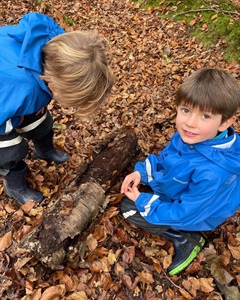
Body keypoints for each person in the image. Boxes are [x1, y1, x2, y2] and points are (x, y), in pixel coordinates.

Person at [120, 68, 240, 276]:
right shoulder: (192, 136)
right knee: (141, 166)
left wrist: (142, 200)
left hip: (200, 213)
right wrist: (141, 174)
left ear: (225, 123)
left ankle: (185, 239)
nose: (190, 122)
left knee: (129, 208)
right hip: (188, 190)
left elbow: (185, 212)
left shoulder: (212, 173)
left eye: (205, 115)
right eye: (185, 110)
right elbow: (166, 159)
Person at [0, 12, 114, 205]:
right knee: (9, 149)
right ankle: (14, 181)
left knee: (40, 121)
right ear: (54, 85)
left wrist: (38, 103)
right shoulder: (19, 88)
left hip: (19, 92)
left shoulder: (56, 49)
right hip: (4, 102)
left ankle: (44, 150)